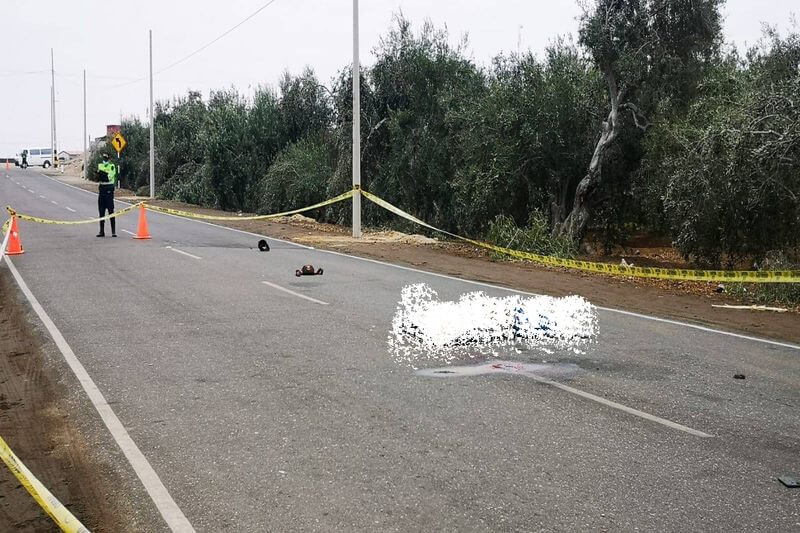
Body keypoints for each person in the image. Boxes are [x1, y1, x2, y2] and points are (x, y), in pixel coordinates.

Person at [96, 154, 117, 237]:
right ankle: (101, 231)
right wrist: (100, 176)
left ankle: (113, 232)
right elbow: (98, 177)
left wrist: (103, 176)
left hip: (109, 189)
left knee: (111, 210)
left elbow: (109, 177)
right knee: (101, 211)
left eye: (106, 158)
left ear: (109, 159)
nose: (104, 160)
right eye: (104, 158)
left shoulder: (112, 166)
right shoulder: (100, 165)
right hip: (102, 189)